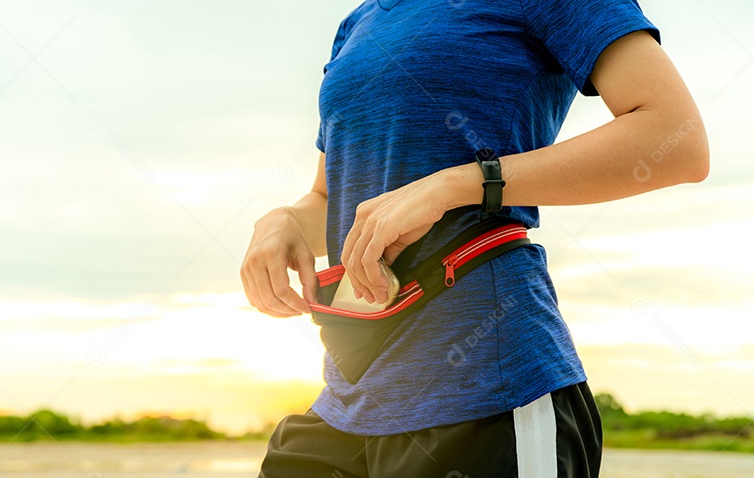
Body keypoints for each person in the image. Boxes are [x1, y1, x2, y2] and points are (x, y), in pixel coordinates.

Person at [239, 0, 709, 476]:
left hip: (490, 388)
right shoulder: (361, 21)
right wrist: (285, 221)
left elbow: (675, 138)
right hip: (350, 392)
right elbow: (331, 196)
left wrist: (460, 183)